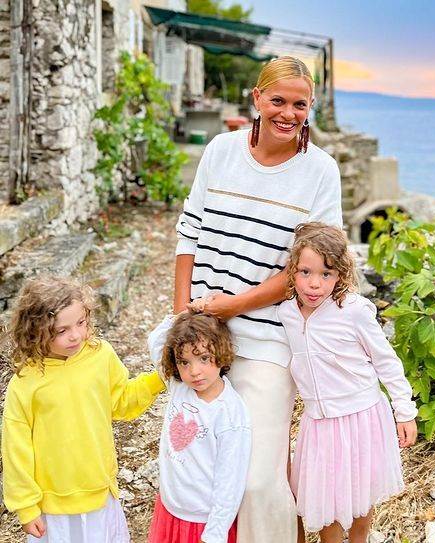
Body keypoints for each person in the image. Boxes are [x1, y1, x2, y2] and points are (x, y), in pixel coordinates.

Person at [174, 56, 342, 543]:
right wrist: (182, 316)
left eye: (300, 105)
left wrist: (232, 306)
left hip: (268, 340)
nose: (288, 114)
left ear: (311, 107)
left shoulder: (321, 171)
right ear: (257, 98)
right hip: (202, 335)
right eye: (278, 101)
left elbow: (310, 268)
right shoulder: (221, 151)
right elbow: (189, 232)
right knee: (204, 462)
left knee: (257, 478)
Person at [277, 223, 418, 543]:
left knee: (360, 493)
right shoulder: (286, 314)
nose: (314, 283)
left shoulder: (353, 310)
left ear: (340, 275)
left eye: (326, 274)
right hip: (319, 424)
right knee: (326, 498)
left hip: (361, 417)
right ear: (292, 270)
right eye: (305, 272)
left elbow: (386, 361)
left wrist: (404, 411)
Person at [1, 276, 165, 543]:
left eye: (81, 322)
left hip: (100, 492)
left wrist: (159, 379)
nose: (76, 335)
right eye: (61, 330)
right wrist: (26, 506)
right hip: (53, 509)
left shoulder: (100, 355)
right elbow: (16, 449)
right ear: (35, 330)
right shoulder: (25, 382)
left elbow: (122, 402)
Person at [146, 312, 251, 543]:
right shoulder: (178, 386)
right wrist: (182, 317)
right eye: (184, 362)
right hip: (170, 506)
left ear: (221, 353)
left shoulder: (229, 413)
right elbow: (155, 341)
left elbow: (230, 479)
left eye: (204, 358)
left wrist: (214, 532)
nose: (194, 371)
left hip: (202, 520)